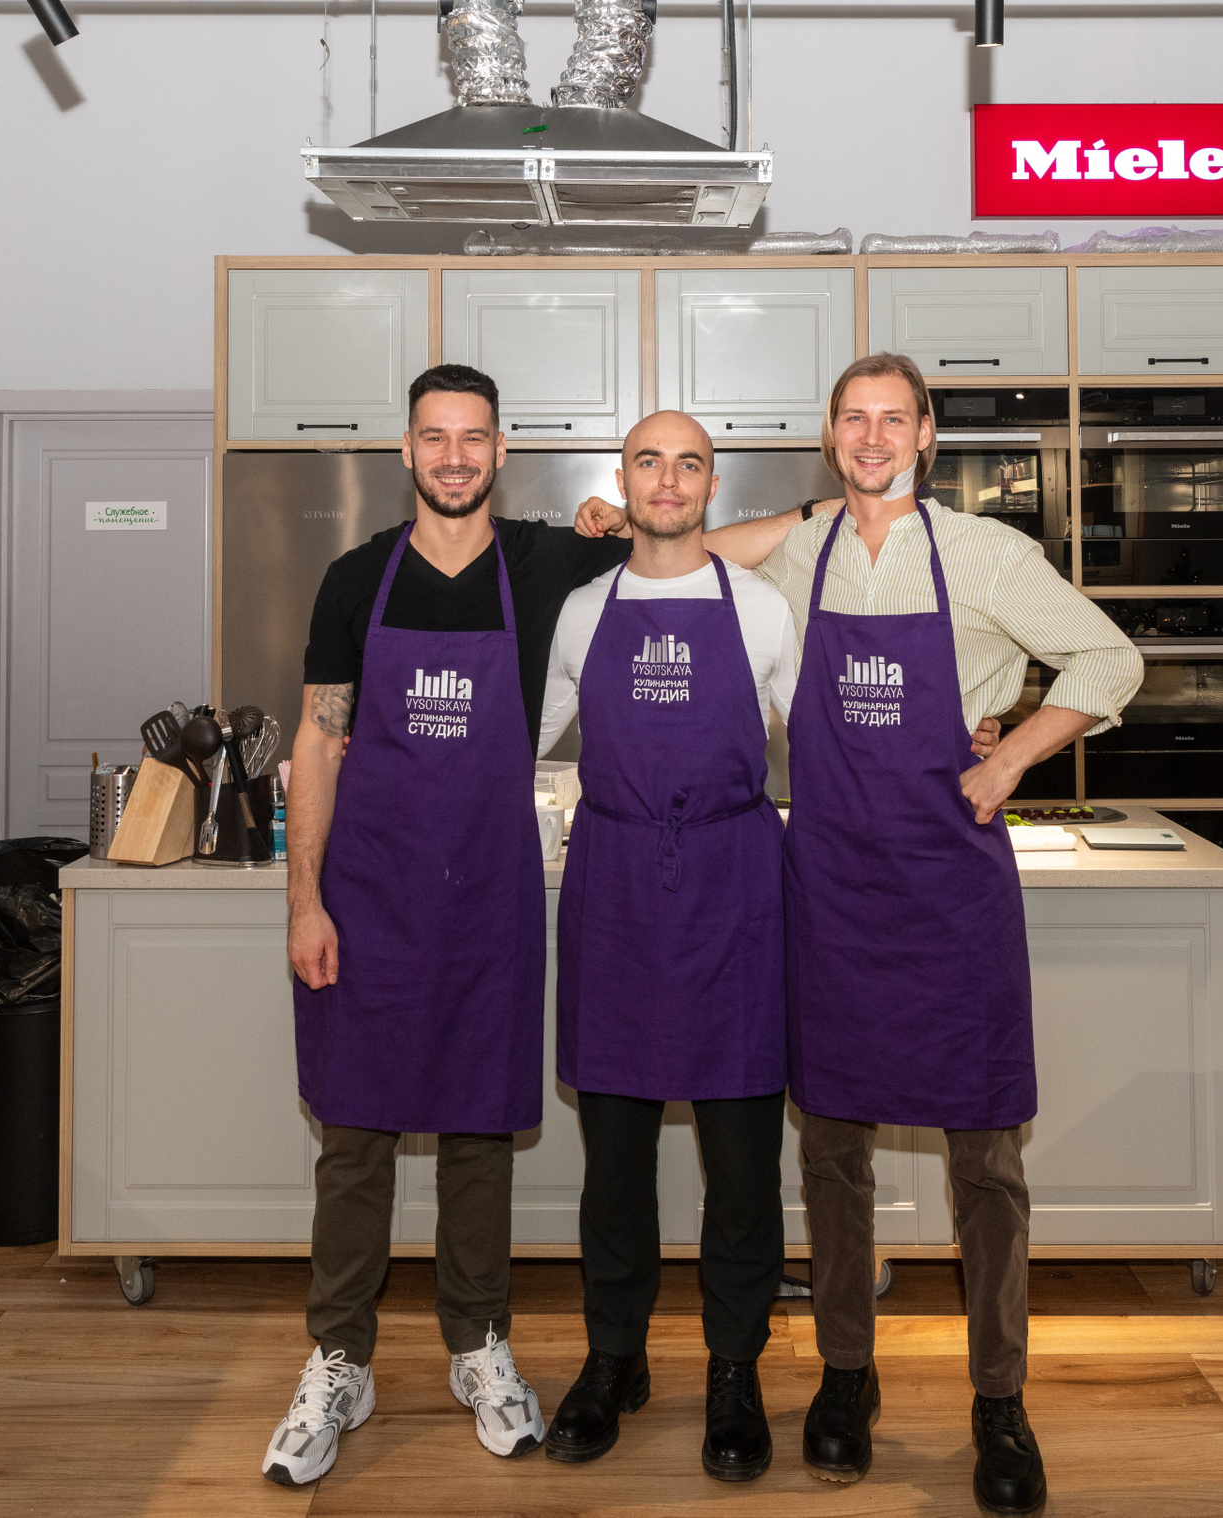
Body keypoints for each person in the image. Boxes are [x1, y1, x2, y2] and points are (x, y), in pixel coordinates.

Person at [577, 352, 1142, 1515]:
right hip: (829, 888)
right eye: (853, 419)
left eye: (894, 419)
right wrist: (614, 519)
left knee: (987, 1162)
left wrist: (1009, 755)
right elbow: (685, 548)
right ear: (831, 435)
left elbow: (1110, 658)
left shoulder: (985, 554)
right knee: (832, 1152)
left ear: (927, 433)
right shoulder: (802, 552)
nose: (874, 437)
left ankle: (1000, 1400)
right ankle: (846, 1375)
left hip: (951, 890)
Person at [262, 364, 631, 1487]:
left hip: (486, 901)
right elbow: (318, 740)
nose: (455, 456)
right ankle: (340, 1359)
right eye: (436, 437)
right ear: (407, 451)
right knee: (355, 1134)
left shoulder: (542, 564)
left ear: (501, 450)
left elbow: (687, 540)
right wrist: (305, 901)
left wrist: (625, 518)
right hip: (368, 895)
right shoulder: (355, 578)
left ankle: (478, 1345)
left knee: (480, 1132)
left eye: (474, 437)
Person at [535, 410, 798, 1481]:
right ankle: (615, 1357)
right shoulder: (582, 611)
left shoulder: (764, 609)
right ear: (625, 480)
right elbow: (522, 741)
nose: (669, 479)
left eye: (689, 463)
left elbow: (825, 746)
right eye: (650, 461)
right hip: (616, 889)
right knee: (614, 1160)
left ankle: (735, 1367)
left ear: (710, 486)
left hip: (736, 889)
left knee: (742, 1160)